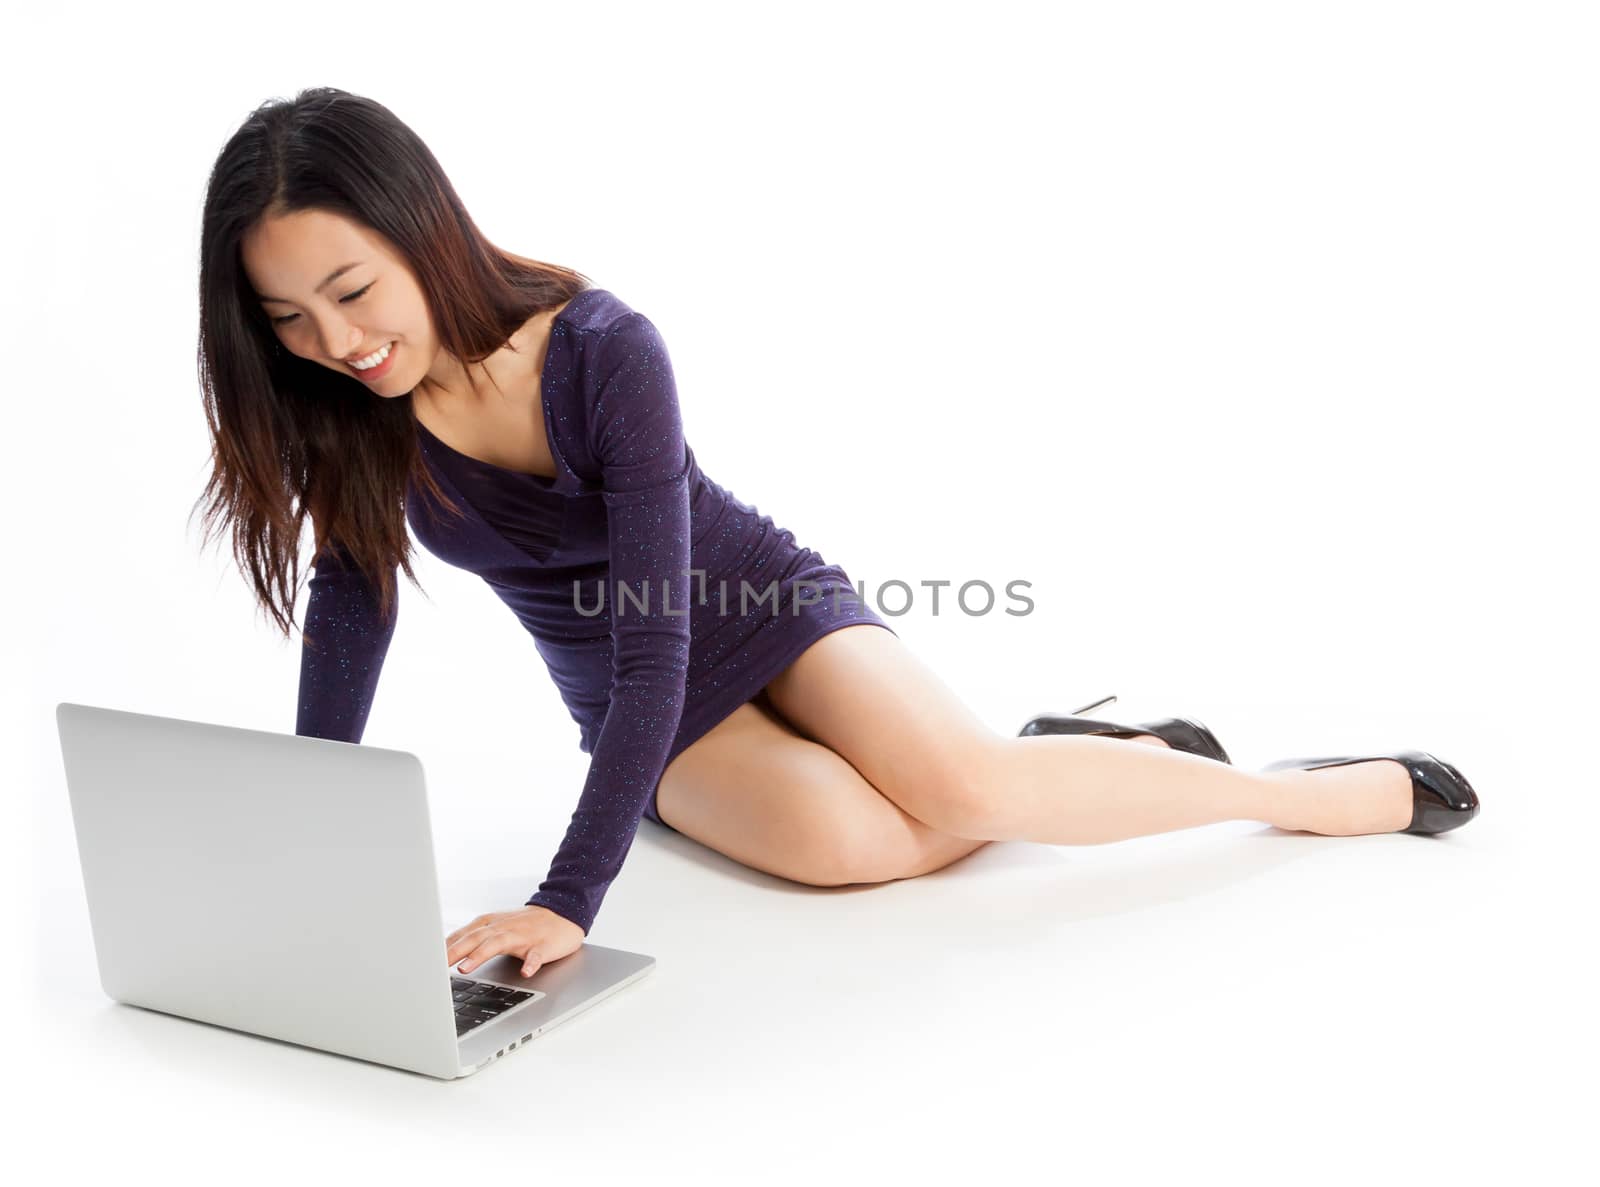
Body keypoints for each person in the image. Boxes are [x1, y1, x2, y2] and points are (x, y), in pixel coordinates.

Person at [193, 87, 1480, 982]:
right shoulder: (341, 412)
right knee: (853, 849)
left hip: (760, 605)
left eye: (352, 290)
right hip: (637, 697)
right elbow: (352, 608)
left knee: (969, 791)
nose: (336, 340)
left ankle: (1303, 794)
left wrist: (565, 894)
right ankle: (1074, 745)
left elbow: (662, 634)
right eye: (289, 316)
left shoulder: (601, 349)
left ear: (423, 230)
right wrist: (314, 829)